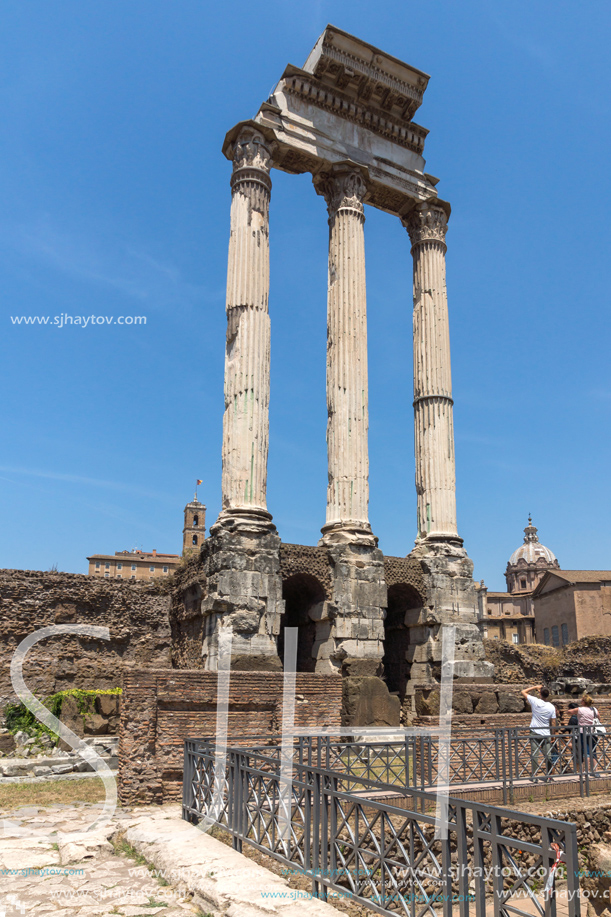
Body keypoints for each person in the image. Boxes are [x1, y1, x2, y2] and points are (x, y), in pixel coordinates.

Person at [521, 684, 557, 782]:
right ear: (548, 695)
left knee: (534, 754)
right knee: (548, 755)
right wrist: (553, 734)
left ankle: (534, 775)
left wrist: (534, 687)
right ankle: (549, 776)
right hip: (546, 733)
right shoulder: (551, 707)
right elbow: (553, 722)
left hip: (535, 732)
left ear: (540, 694)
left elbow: (523, 692)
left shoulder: (535, 701)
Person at [577, 695, 600, 774]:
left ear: (584, 702)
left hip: (583, 732)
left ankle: (586, 771)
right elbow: (598, 719)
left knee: (586, 752)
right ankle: (595, 771)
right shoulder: (594, 709)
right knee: (593, 751)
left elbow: (569, 712)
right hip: (593, 732)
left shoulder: (580, 709)